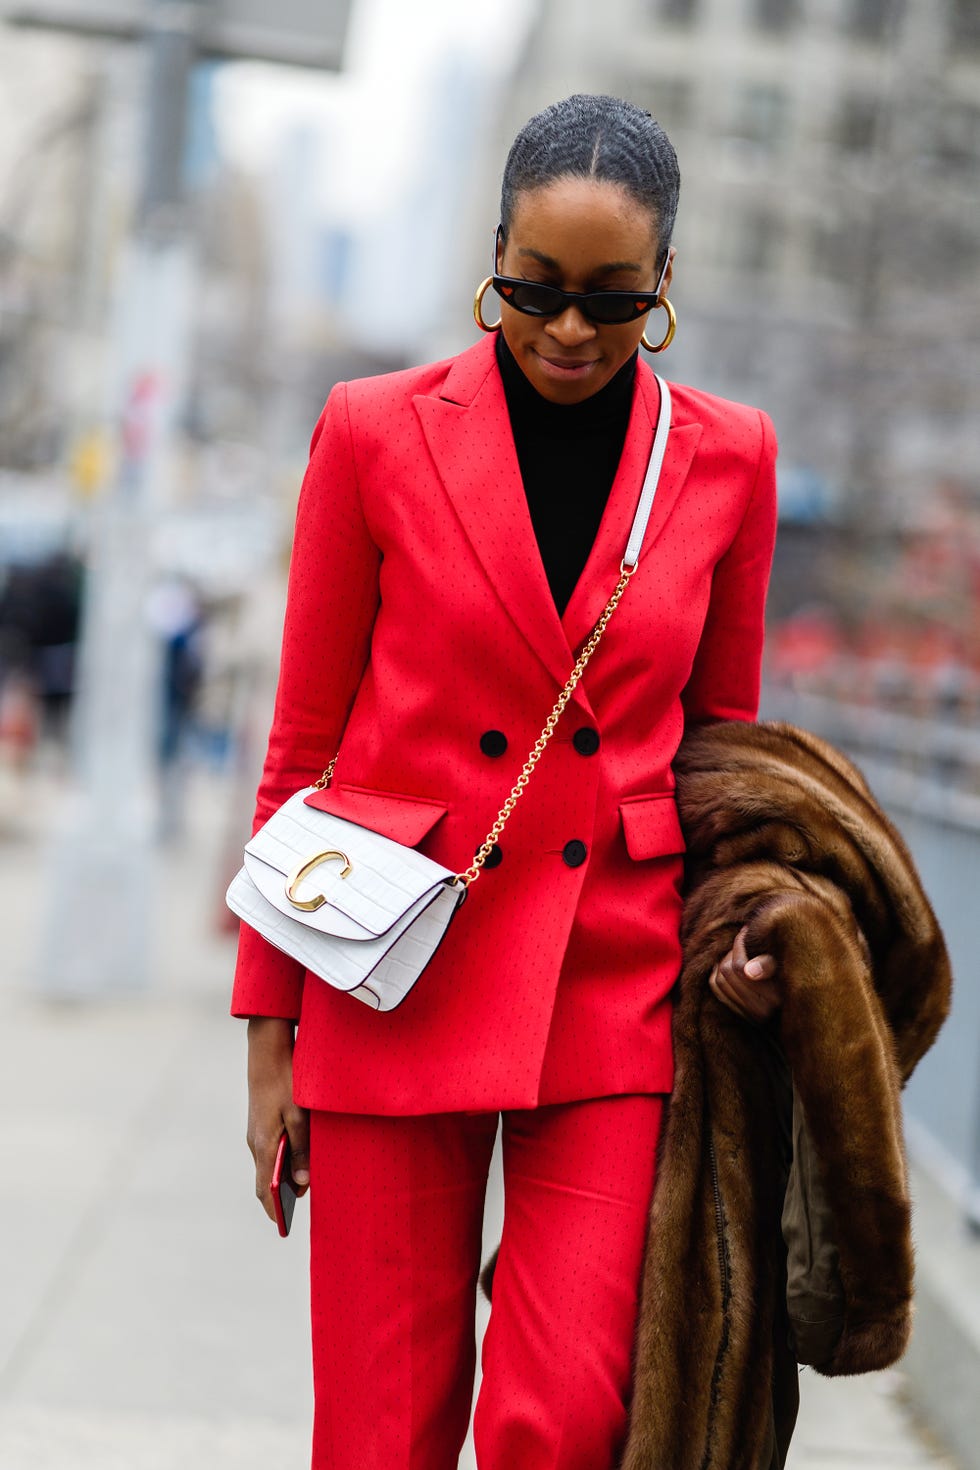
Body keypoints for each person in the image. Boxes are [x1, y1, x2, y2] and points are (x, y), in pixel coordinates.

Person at [231, 93, 779, 1470]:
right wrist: (267, 1034)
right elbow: (300, 754)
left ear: (665, 282)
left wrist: (750, 938)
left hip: (613, 985)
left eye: (612, 297)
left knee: (567, 1414)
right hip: (387, 969)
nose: (571, 329)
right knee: (380, 1429)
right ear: (493, 256)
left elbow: (724, 754)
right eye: (535, 288)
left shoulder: (727, 457)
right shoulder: (372, 430)